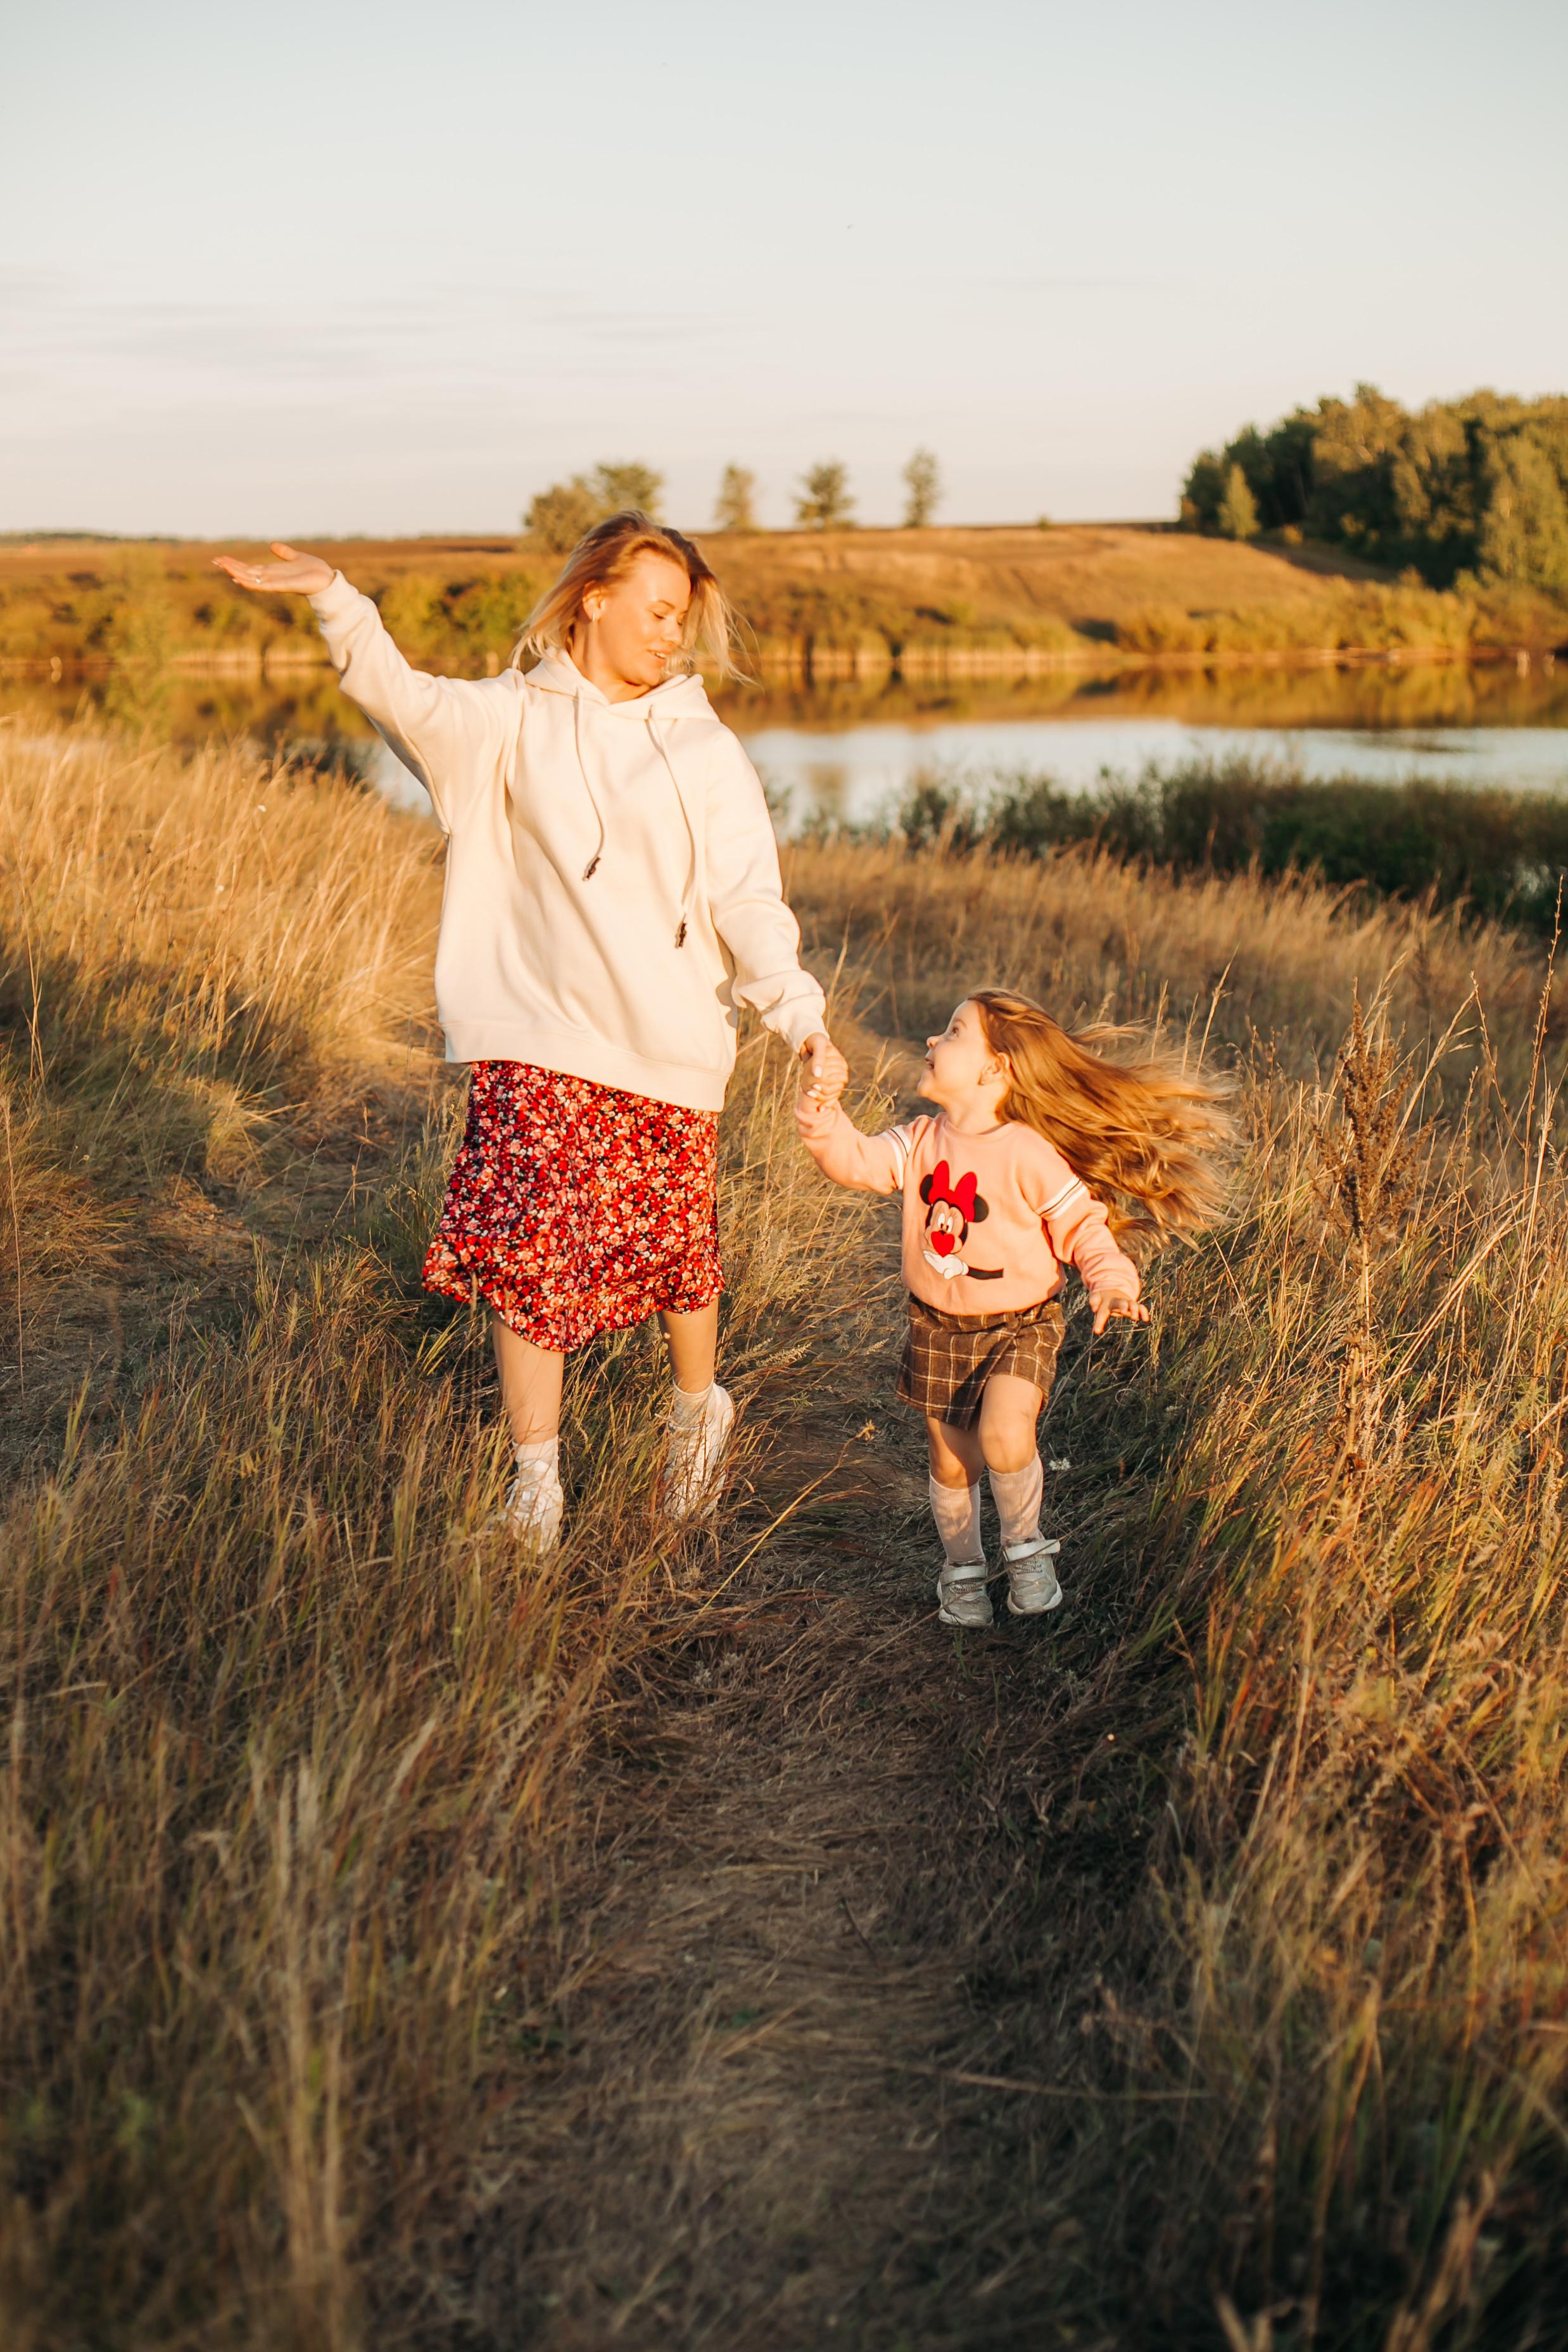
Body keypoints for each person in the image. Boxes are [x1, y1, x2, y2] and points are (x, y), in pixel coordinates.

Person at [216, 514, 840, 1546]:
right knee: (530, 1250)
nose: (670, 633)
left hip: (672, 1041)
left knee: (674, 1256)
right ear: (594, 597)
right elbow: (402, 701)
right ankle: (535, 1479)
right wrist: (339, 598)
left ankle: (697, 1411)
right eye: (655, 609)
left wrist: (802, 1017)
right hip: (537, 1033)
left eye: (681, 616)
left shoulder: (704, 746)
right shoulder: (509, 717)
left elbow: (747, 899)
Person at [795, 990, 1233, 1628]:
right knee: (953, 1462)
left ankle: (1026, 1548)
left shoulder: (1027, 1152)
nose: (931, 1042)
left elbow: (1082, 1226)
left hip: (1018, 1327)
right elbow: (853, 1160)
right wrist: (820, 1106)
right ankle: (964, 1571)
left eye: (951, 1033)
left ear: (994, 1069)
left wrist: (1110, 1279)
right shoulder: (919, 1141)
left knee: (1004, 1434)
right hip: (937, 1326)